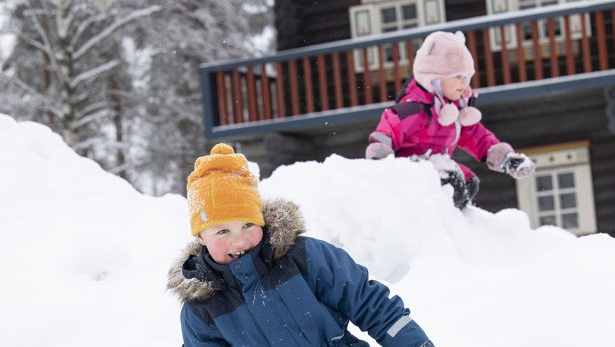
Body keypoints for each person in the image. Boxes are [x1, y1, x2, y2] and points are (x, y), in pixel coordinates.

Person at [168, 143, 434, 346]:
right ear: (201, 237)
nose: (239, 240)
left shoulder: (303, 257)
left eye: (248, 225)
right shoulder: (202, 310)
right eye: (223, 230)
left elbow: (370, 303)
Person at [365, 31, 536, 209]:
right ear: (435, 79)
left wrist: (505, 158)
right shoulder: (416, 108)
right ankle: (422, 217)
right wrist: (381, 154)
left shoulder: (454, 110)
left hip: (435, 165)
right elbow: (390, 126)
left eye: (466, 77)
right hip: (410, 170)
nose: (463, 83)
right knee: (452, 180)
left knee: (469, 182)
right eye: (457, 77)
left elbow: (477, 136)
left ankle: (451, 221)